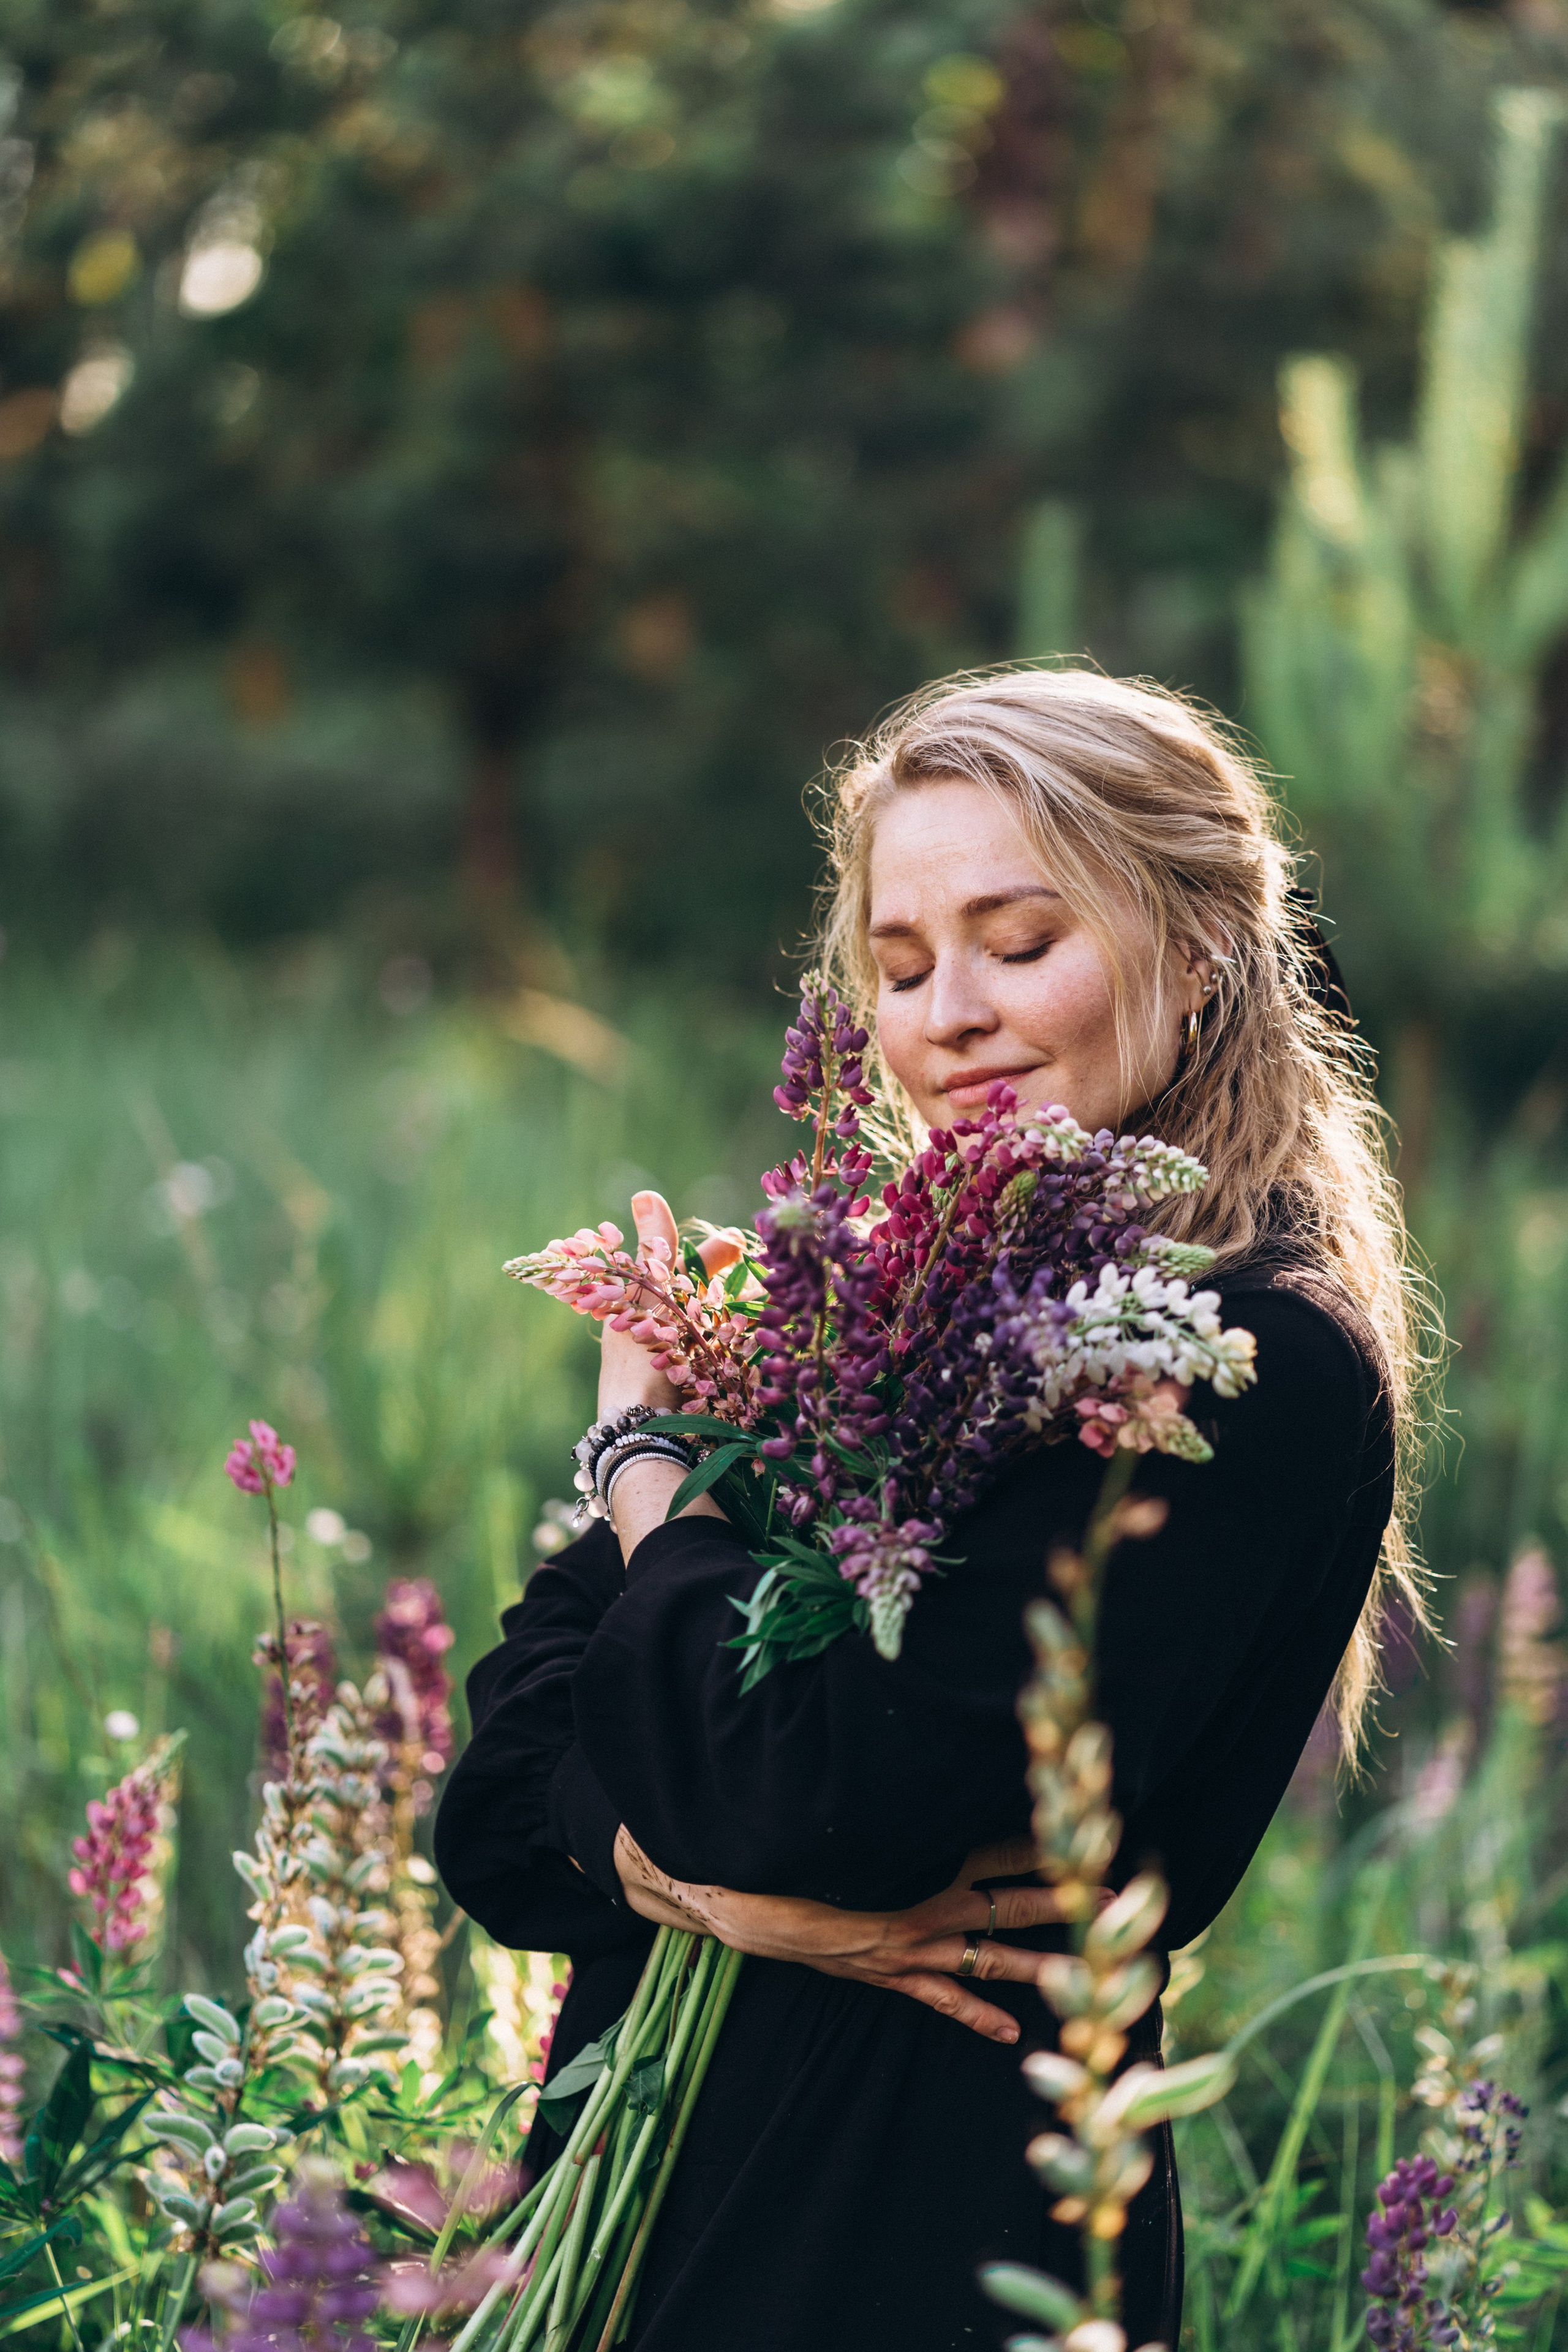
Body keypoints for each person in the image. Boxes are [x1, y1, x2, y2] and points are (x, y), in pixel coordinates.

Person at [434, 667, 1433, 2351]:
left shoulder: (1257, 1358)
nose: (947, 1011)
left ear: (1198, 952)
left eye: (1020, 941)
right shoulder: (873, 1310)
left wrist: (650, 1475)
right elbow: (496, 1802)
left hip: (921, 2211)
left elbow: (818, 1792)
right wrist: (692, 1882)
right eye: (899, 967)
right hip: (632, 2196)